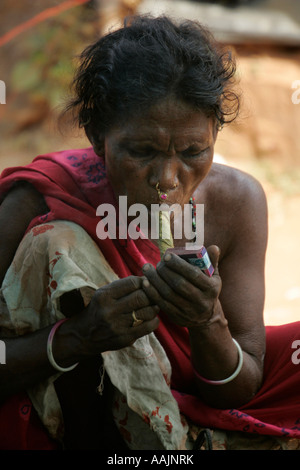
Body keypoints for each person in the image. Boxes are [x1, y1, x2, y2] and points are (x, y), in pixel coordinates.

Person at [0, 15, 299, 451]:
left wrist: (207, 321)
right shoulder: (38, 200)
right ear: (98, 136)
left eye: (194, 151)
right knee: (57, 243)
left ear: (215, 132)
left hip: (200, 402)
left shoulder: (236, 203)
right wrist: (76, 338)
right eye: (141, 151)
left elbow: (240, 387)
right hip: (81, 424)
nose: (166, 178)